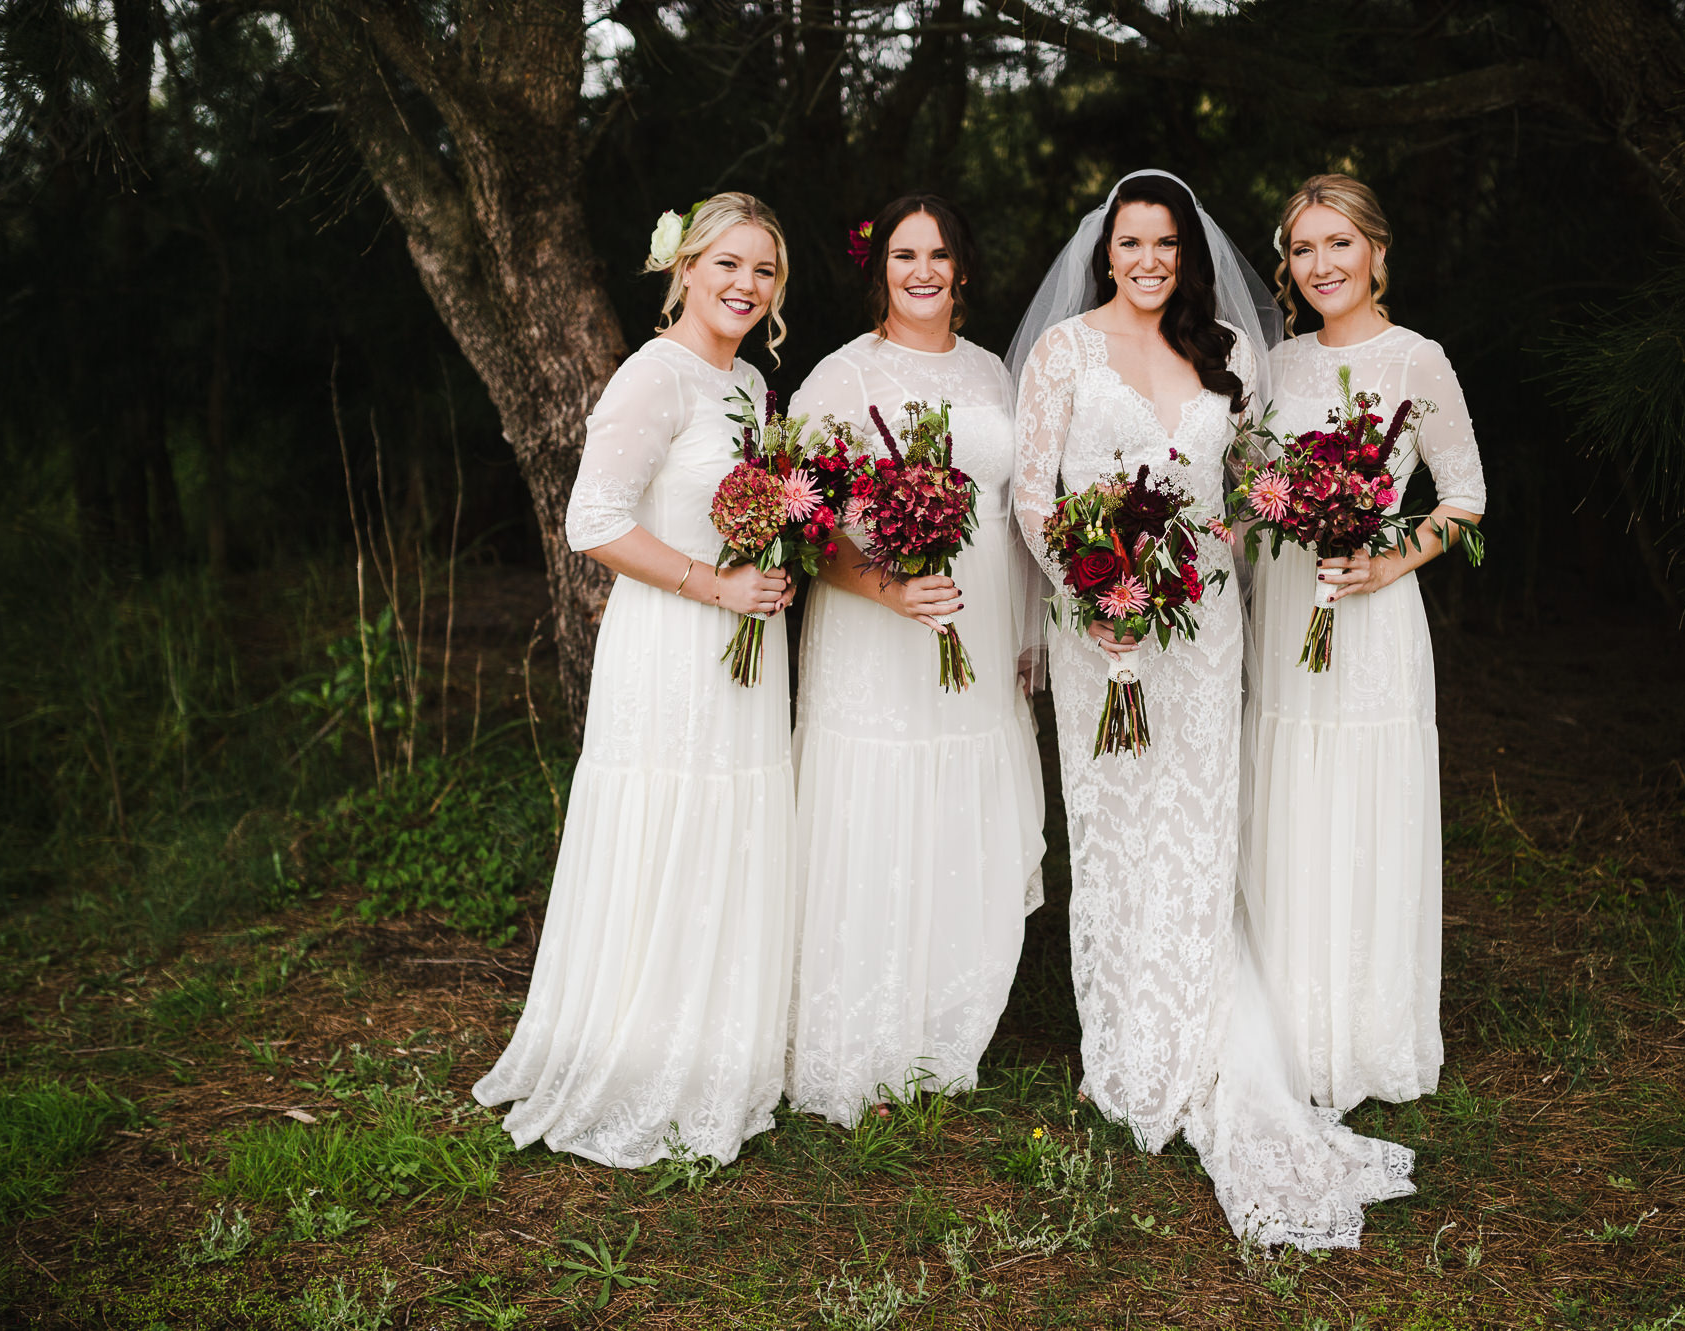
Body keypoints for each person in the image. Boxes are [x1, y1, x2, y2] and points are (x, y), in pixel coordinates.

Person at [1010, 169, 1413, 1249]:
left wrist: (1222, 543)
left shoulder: (1229, 351)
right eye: (1128, 243)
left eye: (1165, 244)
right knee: (1111, 825)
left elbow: (1248, 482)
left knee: (1193, 823)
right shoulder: (1063, 353)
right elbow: (1033, 494)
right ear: (1104, 252)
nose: (1146, 261)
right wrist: (1088, 592)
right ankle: (1128, 1055)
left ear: (1187, 253)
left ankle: (1199, 1038)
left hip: (1199, 626)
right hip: (1101, 628)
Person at [473, 193, 799, 1167]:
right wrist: (715, 582)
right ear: (685, 269)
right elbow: (594, 522)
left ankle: (711, 1059)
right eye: (728, 264)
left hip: (744, 644)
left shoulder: (746, 383)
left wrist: (769, 565)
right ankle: (636, 1060)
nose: (745, 285)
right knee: (669, 828)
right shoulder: (651, 377)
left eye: (765, 271)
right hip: (671, 641)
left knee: (727, 833)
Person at [785, 195, 1046, 1126]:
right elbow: (800, 526)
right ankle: (861, 1033)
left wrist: (1029, 627)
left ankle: (945, 1025)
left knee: (958, 808)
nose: (923, 270)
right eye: (905, 255)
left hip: (977, 632)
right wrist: (888, 589)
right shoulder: (837, 379)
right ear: (880, 269)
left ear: (963, 268)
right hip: (873, 636)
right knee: (877, 806)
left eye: (939, 253)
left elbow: (1021, 511)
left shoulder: (995, 378)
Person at [1240, 173, 1487, 1115]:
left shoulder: (1417, 359)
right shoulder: (1277, 365)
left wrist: (1388, 563)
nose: (1321, 265)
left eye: (1338, 244)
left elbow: (1464, 497)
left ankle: (1367, 1031)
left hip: (1374, 622)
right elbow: (1250, 490)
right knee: (1291, 800)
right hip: (1288, 614)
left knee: (1363, 806)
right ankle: (1291, 1025)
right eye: (1303, 250)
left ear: (1378, 251)